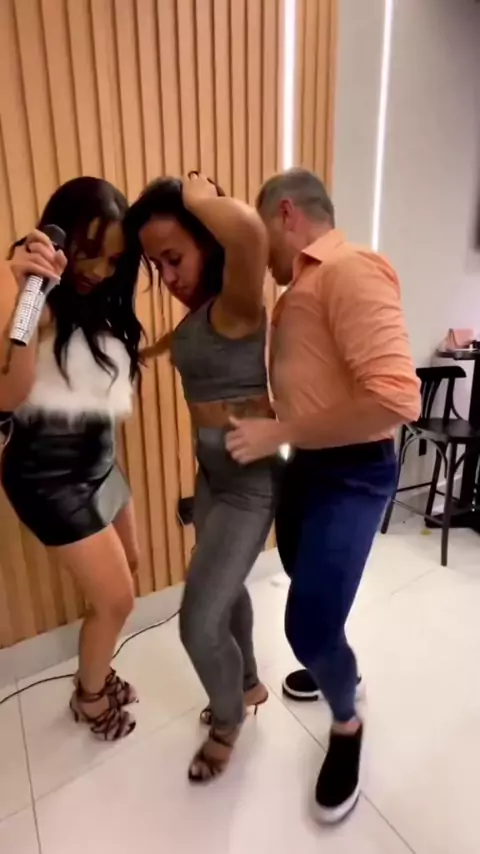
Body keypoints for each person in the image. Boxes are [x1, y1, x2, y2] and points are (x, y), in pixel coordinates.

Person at [226, 168, 420, 822]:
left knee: (306, 624)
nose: (260, 254)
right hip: (307, 465)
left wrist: (279, 431)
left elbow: (396, 400)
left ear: (286, 214)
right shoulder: (300, 287)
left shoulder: (350, 269)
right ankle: (341, 667)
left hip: (354, 471)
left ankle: (347, 721)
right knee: (303, 580)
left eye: (261, 233)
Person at [125, 173, 276, 783]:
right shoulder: (200, 318)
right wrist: (146, 353)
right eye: (156, 265)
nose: (168, 276)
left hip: (249, 485)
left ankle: (228, 720)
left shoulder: (239, 305)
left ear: (208, 243)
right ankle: (248, 681)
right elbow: (183, 338)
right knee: (227, 589)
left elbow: (250, 234)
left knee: (196, 621)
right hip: (212, 476)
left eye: (174, 257)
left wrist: (195, 198)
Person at [0, 177, 143, 741]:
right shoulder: (29, 295)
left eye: (114, 260)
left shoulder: (102, 298)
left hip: (100, 458)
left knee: (129, 569)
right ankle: (90, 697)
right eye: (90, 252)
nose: (100, 271)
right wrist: (23, 292)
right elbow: (8, 393)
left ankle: (96, 670)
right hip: (48, 477)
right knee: (116, 599)